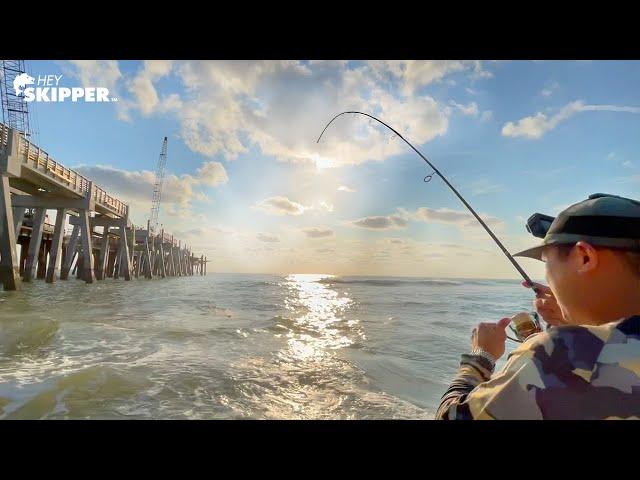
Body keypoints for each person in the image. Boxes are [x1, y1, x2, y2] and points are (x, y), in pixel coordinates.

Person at [435, 193, 640, 420]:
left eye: (545, 262)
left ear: (584, 257)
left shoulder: (558, 353)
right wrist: (569, 324)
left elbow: (450, 416)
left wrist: (480, 358)